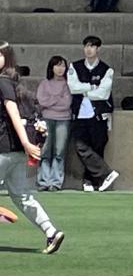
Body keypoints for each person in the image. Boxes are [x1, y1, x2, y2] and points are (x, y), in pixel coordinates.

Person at [0, 41, 65, 254]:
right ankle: (51, 231)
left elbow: (14, 114)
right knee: (22, 196)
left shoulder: (2, 83)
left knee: (22, 195)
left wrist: (27, 143)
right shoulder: (15, 84)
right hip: (17, 152)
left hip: (5, 148)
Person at [67, 35, 119, 192]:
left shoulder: (106, 69)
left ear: (98, 49)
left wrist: (84, 90)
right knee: (80, 146)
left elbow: (103, 94)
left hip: (98, 115)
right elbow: (73, 88)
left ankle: (93, 181)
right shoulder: (75, 66)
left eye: (92, 46)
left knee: (97, 147)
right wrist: (92, 87)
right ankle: (105, 174)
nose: (88, 49)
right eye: (86, 46)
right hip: (79, 114)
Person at [36, 56, 71, 191]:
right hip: (46, 119)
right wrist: (58, 98)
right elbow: (42, 101)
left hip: (63, 119)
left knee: (59, 151)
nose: (60, 69)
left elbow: (66, 103)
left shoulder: (68, 84)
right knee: (45, 150)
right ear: (51, 67)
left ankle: (56, 182)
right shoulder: (44, 83)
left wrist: (51, 100)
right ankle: (43, 181)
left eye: (63, 65)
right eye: (57, 65)